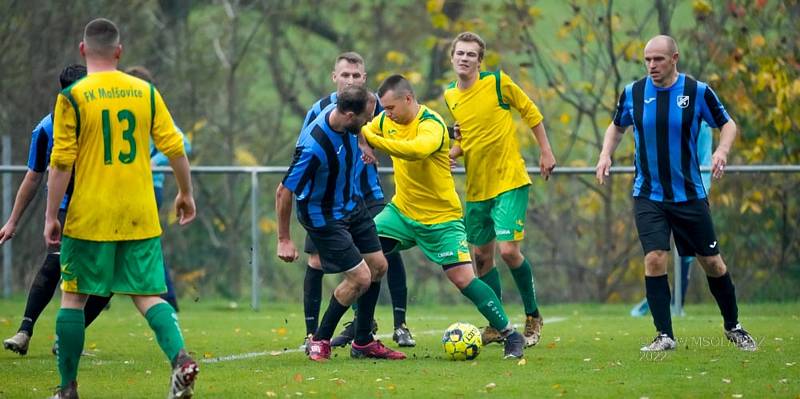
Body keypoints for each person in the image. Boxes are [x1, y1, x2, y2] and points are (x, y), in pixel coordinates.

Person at [45, 18, 198, 398]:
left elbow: (62, 161)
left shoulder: (72, 97)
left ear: (83, 50)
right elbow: (175, 147)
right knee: (147, 295)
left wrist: (50, 215)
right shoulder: (144, 92)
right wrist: (185, 194)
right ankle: (180, 360)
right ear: (119, 51)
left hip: (90, 214)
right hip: (139, 213)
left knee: (74, 296)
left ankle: (67, 389)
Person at [595, 35, 757, 352]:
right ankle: (664, 335)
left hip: (689, 196)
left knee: (712, 263)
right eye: (647, 60)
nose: (652, 65)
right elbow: (616, 126)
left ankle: (733, 326)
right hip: (648, 195)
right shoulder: (634, 93)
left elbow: (728, 124)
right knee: (655, 259)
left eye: (658, 59)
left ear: (674, 58)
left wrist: (722, 152)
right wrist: (605, 155)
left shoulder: (697, 92)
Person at [363, 74, 526, 359]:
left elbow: (415, 151)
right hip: (401, 212)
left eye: (390, 108)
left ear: (408, 99)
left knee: (463, 279)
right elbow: (362, 128)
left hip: (441, 219)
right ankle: (362, 332)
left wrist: (371, 138)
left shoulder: (432, 124)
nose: (386, 114)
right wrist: (365, 140)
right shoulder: (384, 121)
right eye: (383, 109)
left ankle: (511, 335)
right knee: (362, 256)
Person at [276, 85, 406, 362]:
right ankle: (320, 339)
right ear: (349, 115)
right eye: (366, 118)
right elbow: (283, 191)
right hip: (323, 217)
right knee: (360, 277)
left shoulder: (349, 122)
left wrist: (364, 143)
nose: (370, 122)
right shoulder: (314, 147)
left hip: (352, 205)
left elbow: (369, 128)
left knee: (379, 266)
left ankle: (362, 342)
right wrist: (284, 238)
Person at [444, 32, 555, 347]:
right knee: (480, 257)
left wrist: (546, 152)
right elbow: (467, 137)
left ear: (480, 61)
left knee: (508, 250)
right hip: (478, 188)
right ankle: (497, 324)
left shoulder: (497, 83)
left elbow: (530, 112)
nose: (464, 58)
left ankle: (533, 315)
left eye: (471, 55)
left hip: (509, 179)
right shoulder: (450, 94)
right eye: (460, 53)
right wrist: (452, 153)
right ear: (452, 58)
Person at [297, 52, 414, 349]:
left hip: (366, 193)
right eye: (345, 75)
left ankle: (397, 325)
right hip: (327, 202)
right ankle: (313, 335)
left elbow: (407, 127)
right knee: (317, 261)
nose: (350, 79)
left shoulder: (376, 105)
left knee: (383, 251)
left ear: (364, 78)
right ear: (334, 77)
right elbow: (301, 153)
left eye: (356, 75)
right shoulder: (320, 111)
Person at [1, 64, 114, 356]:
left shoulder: (103, 121)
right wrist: (12, 222)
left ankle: (66, 339)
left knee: (109, 279)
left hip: (103, 205)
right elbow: (33, 176)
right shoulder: (46, 129)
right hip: (67, 207)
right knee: (55, 262)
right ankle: (24, 331)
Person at [125, 65, 192, 312]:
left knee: (147, 243)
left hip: (150, 187)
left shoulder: (150, 109)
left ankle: (167, 297)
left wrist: (156, 161)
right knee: (136, 243)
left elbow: (183, 143)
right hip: (124, 187)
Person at [630, 121, 713, 317]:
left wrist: (701, 195)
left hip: (690, 198)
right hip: (657, 197)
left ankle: (677, 304)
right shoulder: (659, 114)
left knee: (692, 255)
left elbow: (705, 161)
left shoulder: (702, 125)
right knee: (656, 253)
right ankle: (658, 307)